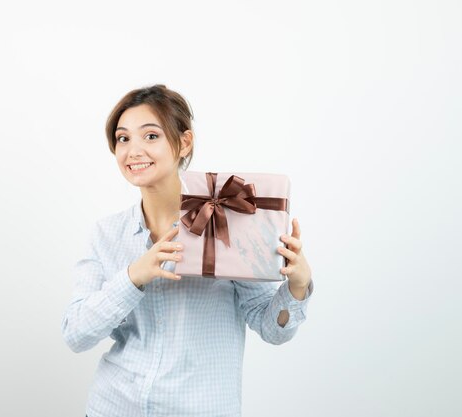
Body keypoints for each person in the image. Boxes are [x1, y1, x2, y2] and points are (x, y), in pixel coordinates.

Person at [61, 84, 314, 417]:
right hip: (113, 406)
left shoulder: (229, 220)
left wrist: (297, 286)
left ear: (183, 143)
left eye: (150, 136)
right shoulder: (107, 233)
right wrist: (134, 276)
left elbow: (271, 328)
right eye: (123, 138)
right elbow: (76, 334)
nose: (133, 150)